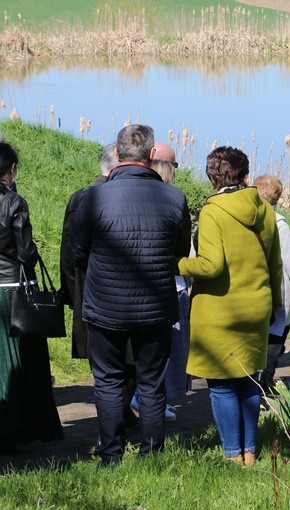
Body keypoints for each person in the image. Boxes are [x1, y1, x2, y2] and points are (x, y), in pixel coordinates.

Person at [70, 125, 191, 466]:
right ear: (151, 155)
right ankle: (151, 455)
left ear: (118, 154)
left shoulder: (93, 196)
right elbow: (180, 251)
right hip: (155, 305)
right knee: (151, 382)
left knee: (108, 380)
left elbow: (78, 251)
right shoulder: (174, 197)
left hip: (105, 304)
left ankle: (111, 455)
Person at [178, 147, 282, 465]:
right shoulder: (264, 209)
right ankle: (251, 452)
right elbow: (274, 263)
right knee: (249, 381)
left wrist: (178, 264)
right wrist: (275, 303)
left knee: (222, 386)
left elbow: (210, 266)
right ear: (244, 173)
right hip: (256, 307)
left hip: (220, 310)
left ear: (213, 176)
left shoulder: (213, 211)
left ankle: (232, 454)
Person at [60, 143, 143, 436]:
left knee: (110, 367)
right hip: (117, 294)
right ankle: (116, 423)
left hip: (90, 293)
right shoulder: (97, 198)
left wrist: (71, 294)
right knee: (125, 363)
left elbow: (68, 256)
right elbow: (71, 254)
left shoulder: (83, 198)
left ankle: (117, 420)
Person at [0, 142, 63, 450]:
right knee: (25, 361)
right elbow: (26, 253)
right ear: (10, 170)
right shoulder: (14, 202)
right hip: (14, 292)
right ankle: (21, 427)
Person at [128, 142, 190, 422]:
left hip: (133, 286)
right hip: (167, 286)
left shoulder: (129, 194)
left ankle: (148, 400)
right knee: (166, 351)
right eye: (174, 166)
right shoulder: (174, 199)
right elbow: (182, 246)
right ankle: (147, 402)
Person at [251, 174, 290, 392]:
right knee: (277, 333)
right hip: (276, 285)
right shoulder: (278, 223)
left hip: (251, 284)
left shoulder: (247, 217)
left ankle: (252, 377)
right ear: (275, 196)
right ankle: (264, 380)